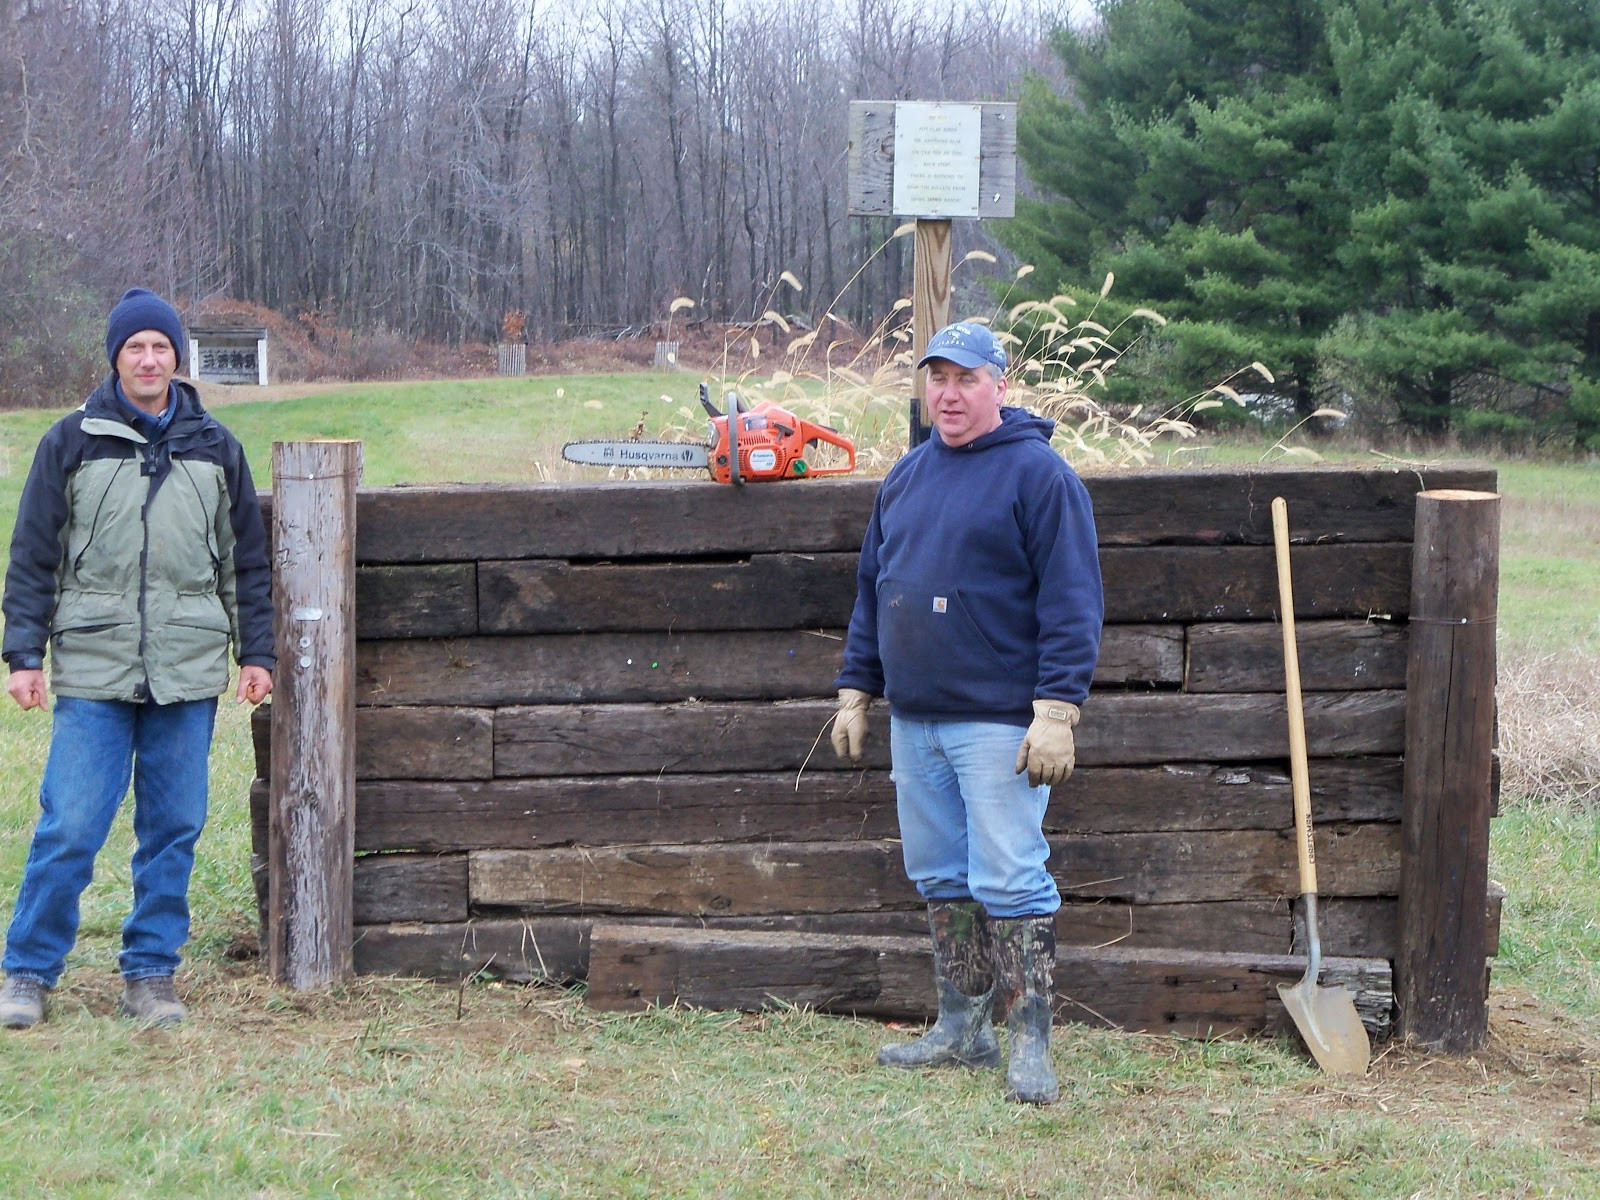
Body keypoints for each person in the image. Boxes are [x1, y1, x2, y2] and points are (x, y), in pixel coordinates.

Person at [830, 320, 1103, 1105]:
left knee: (1012, 879)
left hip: (996, 724)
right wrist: (858, 688)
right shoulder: (906, 477)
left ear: (1000, 386)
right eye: (936, 379)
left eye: (966, 379)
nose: (949, 395)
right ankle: (962, 1028)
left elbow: (1073, 600)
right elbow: (872, 592)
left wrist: (1057, 709)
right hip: (915, 722)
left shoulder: (1039, 477)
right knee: (943, 878)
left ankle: (1029, 1046)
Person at [0, 288, 275, 1029]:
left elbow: (246, 564)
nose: (148, 360)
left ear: (175, 358)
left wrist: (260, 652)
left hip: (187, 673)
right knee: (72, 824)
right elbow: (32, 557)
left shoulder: (216, 449)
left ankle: (150, 975)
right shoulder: (71, 442)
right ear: (116, 358)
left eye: (160, 347)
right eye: (134, 348)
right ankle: (27, 970)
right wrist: (23, 653)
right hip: (93, 667)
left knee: (174, 826)